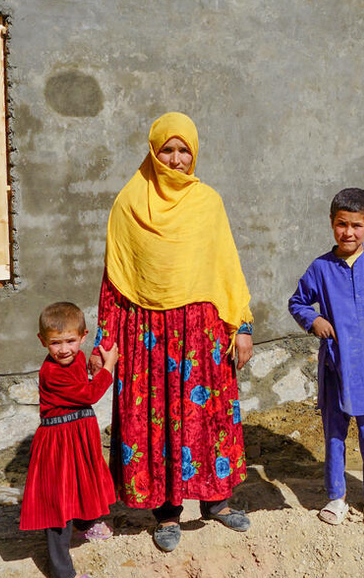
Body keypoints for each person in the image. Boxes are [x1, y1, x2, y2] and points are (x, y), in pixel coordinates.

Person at [89, 112, 254, 553]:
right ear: (153, 151)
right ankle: (165, 512)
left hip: (202, 331)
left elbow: (227, 268)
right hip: (147, 333)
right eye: (168, 150)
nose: (177, 159)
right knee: (156, 420)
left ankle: (216, 502)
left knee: (208, 416)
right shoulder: (129, 202)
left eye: (185, 151)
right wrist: (106, 341)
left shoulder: (208, 202)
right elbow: (115, 277)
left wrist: (242, 327)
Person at [288, 188, 364, 536]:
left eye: (356, 225)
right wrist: (314, 320)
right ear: (332, 223)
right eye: (341, 225)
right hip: (335, 368)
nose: (348, 233)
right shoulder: (321, 268)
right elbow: (298, 302)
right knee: (334, 435)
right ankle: (336, 496)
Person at [20, 302, 119, 578]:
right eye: (55, 343)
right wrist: (108, 367)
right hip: (58, 444)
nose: (64, 349)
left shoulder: (76, 357)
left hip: (78, 437)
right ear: (42, 341)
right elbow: (88, 395)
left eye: (70, 341)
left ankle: (86, 524)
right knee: (59, 505)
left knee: (85, 483)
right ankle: (63, 573)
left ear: (83, 337)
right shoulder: (52, 373)